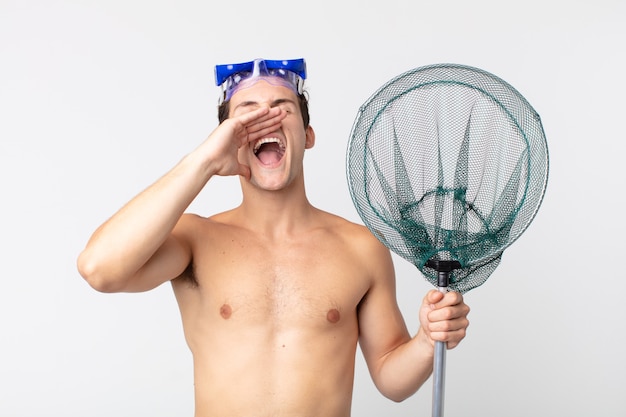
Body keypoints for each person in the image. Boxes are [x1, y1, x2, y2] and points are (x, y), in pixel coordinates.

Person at [77, 58, 470, 417]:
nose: (266, 120)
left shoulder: (361, 248)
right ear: (227, 139)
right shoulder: (194, 239)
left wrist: (425, 340)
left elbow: (390, 377)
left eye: (281, 109)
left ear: (308, 133)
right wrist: (205, 162)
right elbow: (99, 269)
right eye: (247, 118)